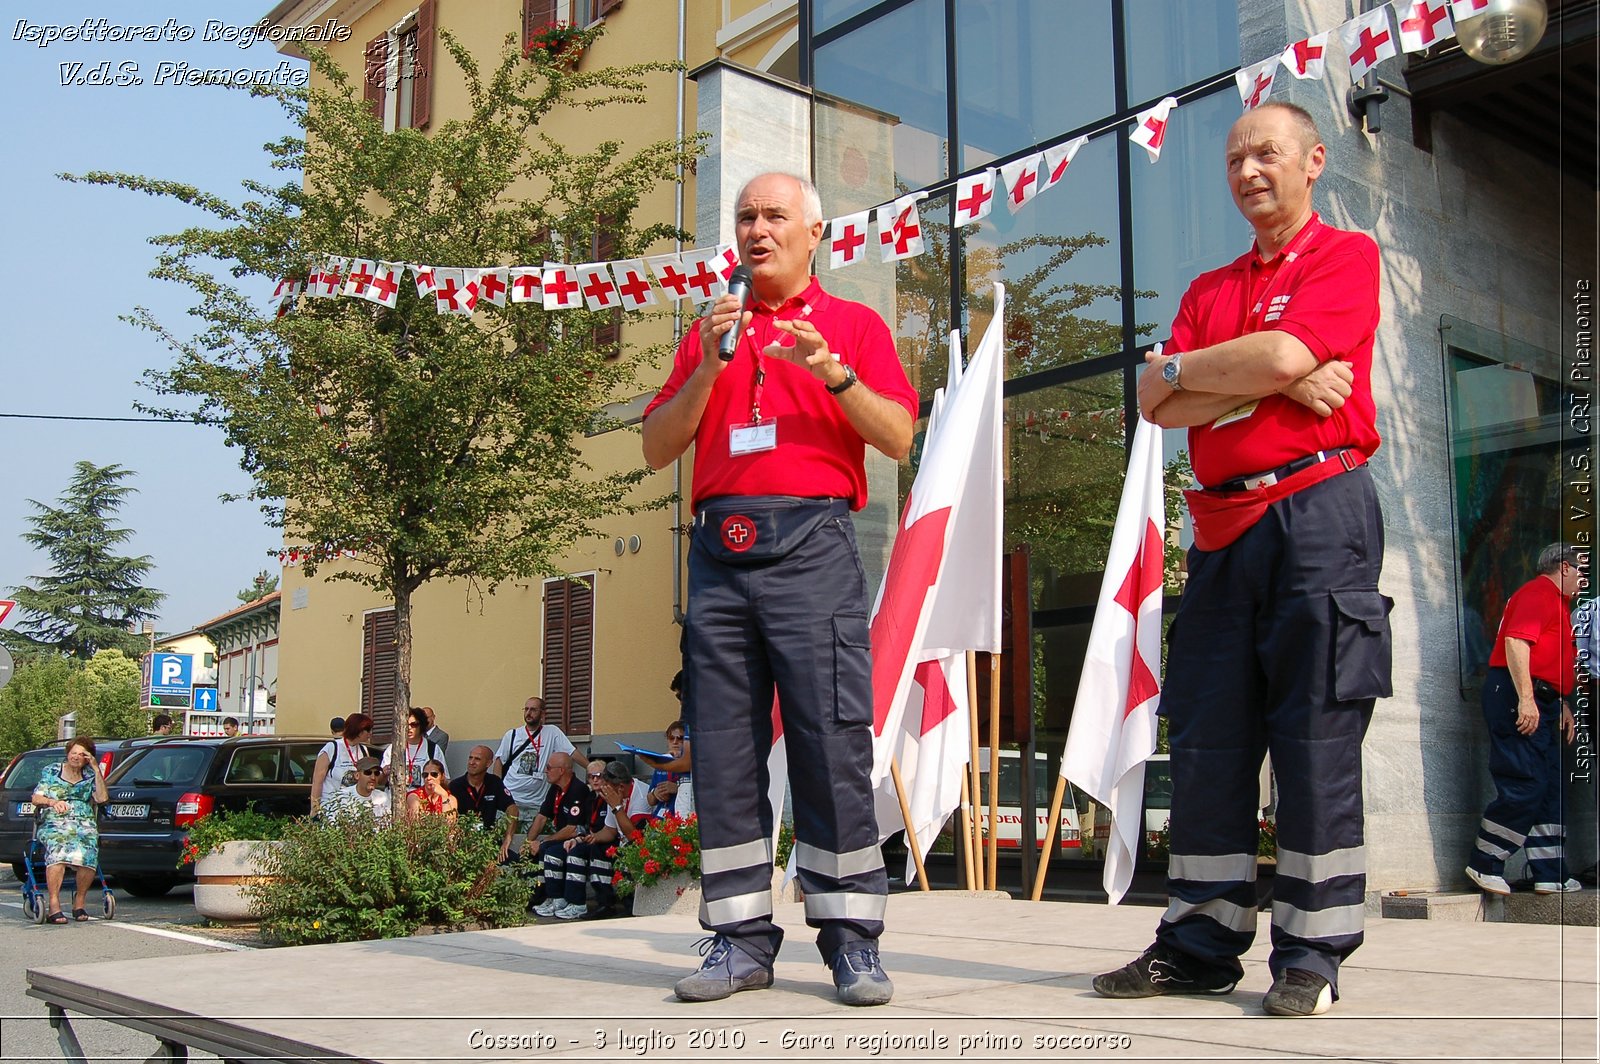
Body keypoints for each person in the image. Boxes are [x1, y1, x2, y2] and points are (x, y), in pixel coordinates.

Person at [1097, 102, 1393, 1019]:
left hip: (1319, 512)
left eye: (1266, 152)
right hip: (1221, 531)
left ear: (1313, 161)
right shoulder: (1208, 287)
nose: (1248, 169)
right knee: (1214, 740)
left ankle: (1311, 953)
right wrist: (1269, 373)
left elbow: (1264, 353)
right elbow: (1153, 398)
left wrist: (1214, 369)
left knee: (1315, 736)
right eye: (1234, 158)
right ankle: (1198, 944)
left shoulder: (1348, 256)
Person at [641, 171, 915, 1006]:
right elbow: (657, 447)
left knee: (832, 744)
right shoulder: (710, 329)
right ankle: (738, 941)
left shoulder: (856, 326)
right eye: (746, 217)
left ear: (814, 233)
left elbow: (899, 435)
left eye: (775, 217)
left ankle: (852, 942)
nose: (758, 230)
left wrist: (835, 376)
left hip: (814, 547)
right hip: (720, 553)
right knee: (723, 751)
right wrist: (708, 368)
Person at [1465, 543, 1585, 896]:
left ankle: (1550, 873)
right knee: (1526, 781)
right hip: (1519, 694)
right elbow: (1517, 643)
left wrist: (1559, 701)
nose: (1584, 581)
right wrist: (1528, 699)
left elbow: (1550, 659)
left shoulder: (1558, 604)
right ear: (1563, 567)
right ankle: (1484, 862)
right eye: (1582, 572)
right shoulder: (1538, 593)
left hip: (1541, 697)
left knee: (1549, 785)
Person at [30, 737, 109, 923]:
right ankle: (54, 905)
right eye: (73, 753)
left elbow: (102, 798)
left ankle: (79, 902)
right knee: (59, 850)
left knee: (89, 852)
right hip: (54, 822)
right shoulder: (52, 771)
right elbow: (36, 797)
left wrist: (97, 769)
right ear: (68, 754)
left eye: (82, 754)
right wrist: (53, 802)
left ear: (88, 758)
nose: (76, 757)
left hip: (84, 823)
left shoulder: (90, 774)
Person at [490, 697, 575, 839]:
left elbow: (573, 753)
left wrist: (592, 768)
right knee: (503, 840)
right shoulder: (512, 735)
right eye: (526, 709)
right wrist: (499, 789)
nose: (529, 713)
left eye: (533, 709)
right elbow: (499, 761)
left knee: (527, 843)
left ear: (542, 714)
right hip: (512, 799)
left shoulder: (552, 732)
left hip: (536, 804)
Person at [528, 752, 597, 919]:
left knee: (549, 851)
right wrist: (529, 841)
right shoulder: (555, 789)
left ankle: (557, 898)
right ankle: (538, 896)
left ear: (562, 770)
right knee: (534, 851)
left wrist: (543, 841)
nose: (545, 771)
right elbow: (542, 816)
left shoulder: (578, 789)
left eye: (549, 768)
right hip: (563, 839)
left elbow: (572, 828)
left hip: (578, 839)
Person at [587, 759, 655, 920]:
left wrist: (617, 807)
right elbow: (610, 831)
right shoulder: (615, 795)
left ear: (621, 787)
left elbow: (634, 836)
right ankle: (605, 904)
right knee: (595, 850)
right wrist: (590, 838)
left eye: (606, 787)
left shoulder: (640, 796)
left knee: (627, 852)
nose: (603, 790)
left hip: (642, 844)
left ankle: (631, 905)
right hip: (623, 842)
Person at [451, 744, 520, 861]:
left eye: (477, 759)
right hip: (464, 845)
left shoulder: (494, 782)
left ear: (488, 763)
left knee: (517, 863)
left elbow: (512, 809)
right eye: (470, 758)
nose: (472, 762)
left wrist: (508, 837)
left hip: (489, 843)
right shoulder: (455, 786)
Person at [309, 713, 375, 816]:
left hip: (355, 808)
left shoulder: (363, 750)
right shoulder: (332, 747)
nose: (370, 733)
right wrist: (315, 810)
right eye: (368, 730)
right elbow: (317, 781)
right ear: (359, 731)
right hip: (331, 809)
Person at [383, 708, 448, 791]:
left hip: (423, 798)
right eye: (405, 724)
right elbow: (380, 781)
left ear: (421, 725)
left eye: (414, 724)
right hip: (396, 798)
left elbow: (445, 779)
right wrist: (384, 773)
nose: (409, 728)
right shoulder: (393, 748)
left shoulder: (433, 748)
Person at [637, 721, 691, 816]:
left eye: (680, 738)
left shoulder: (690, 764)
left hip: (680, 818)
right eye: (671, 738)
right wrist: (655, 793)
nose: (675, 742)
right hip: (660, 818)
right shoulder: (661, 763)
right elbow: (650, 801)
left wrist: (678, 789)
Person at [325, 755, 392, 823]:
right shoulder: (341, 797)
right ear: (357, 775)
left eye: (376, 773)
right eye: (368, 773)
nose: (373, 777)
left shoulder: (383, 797)